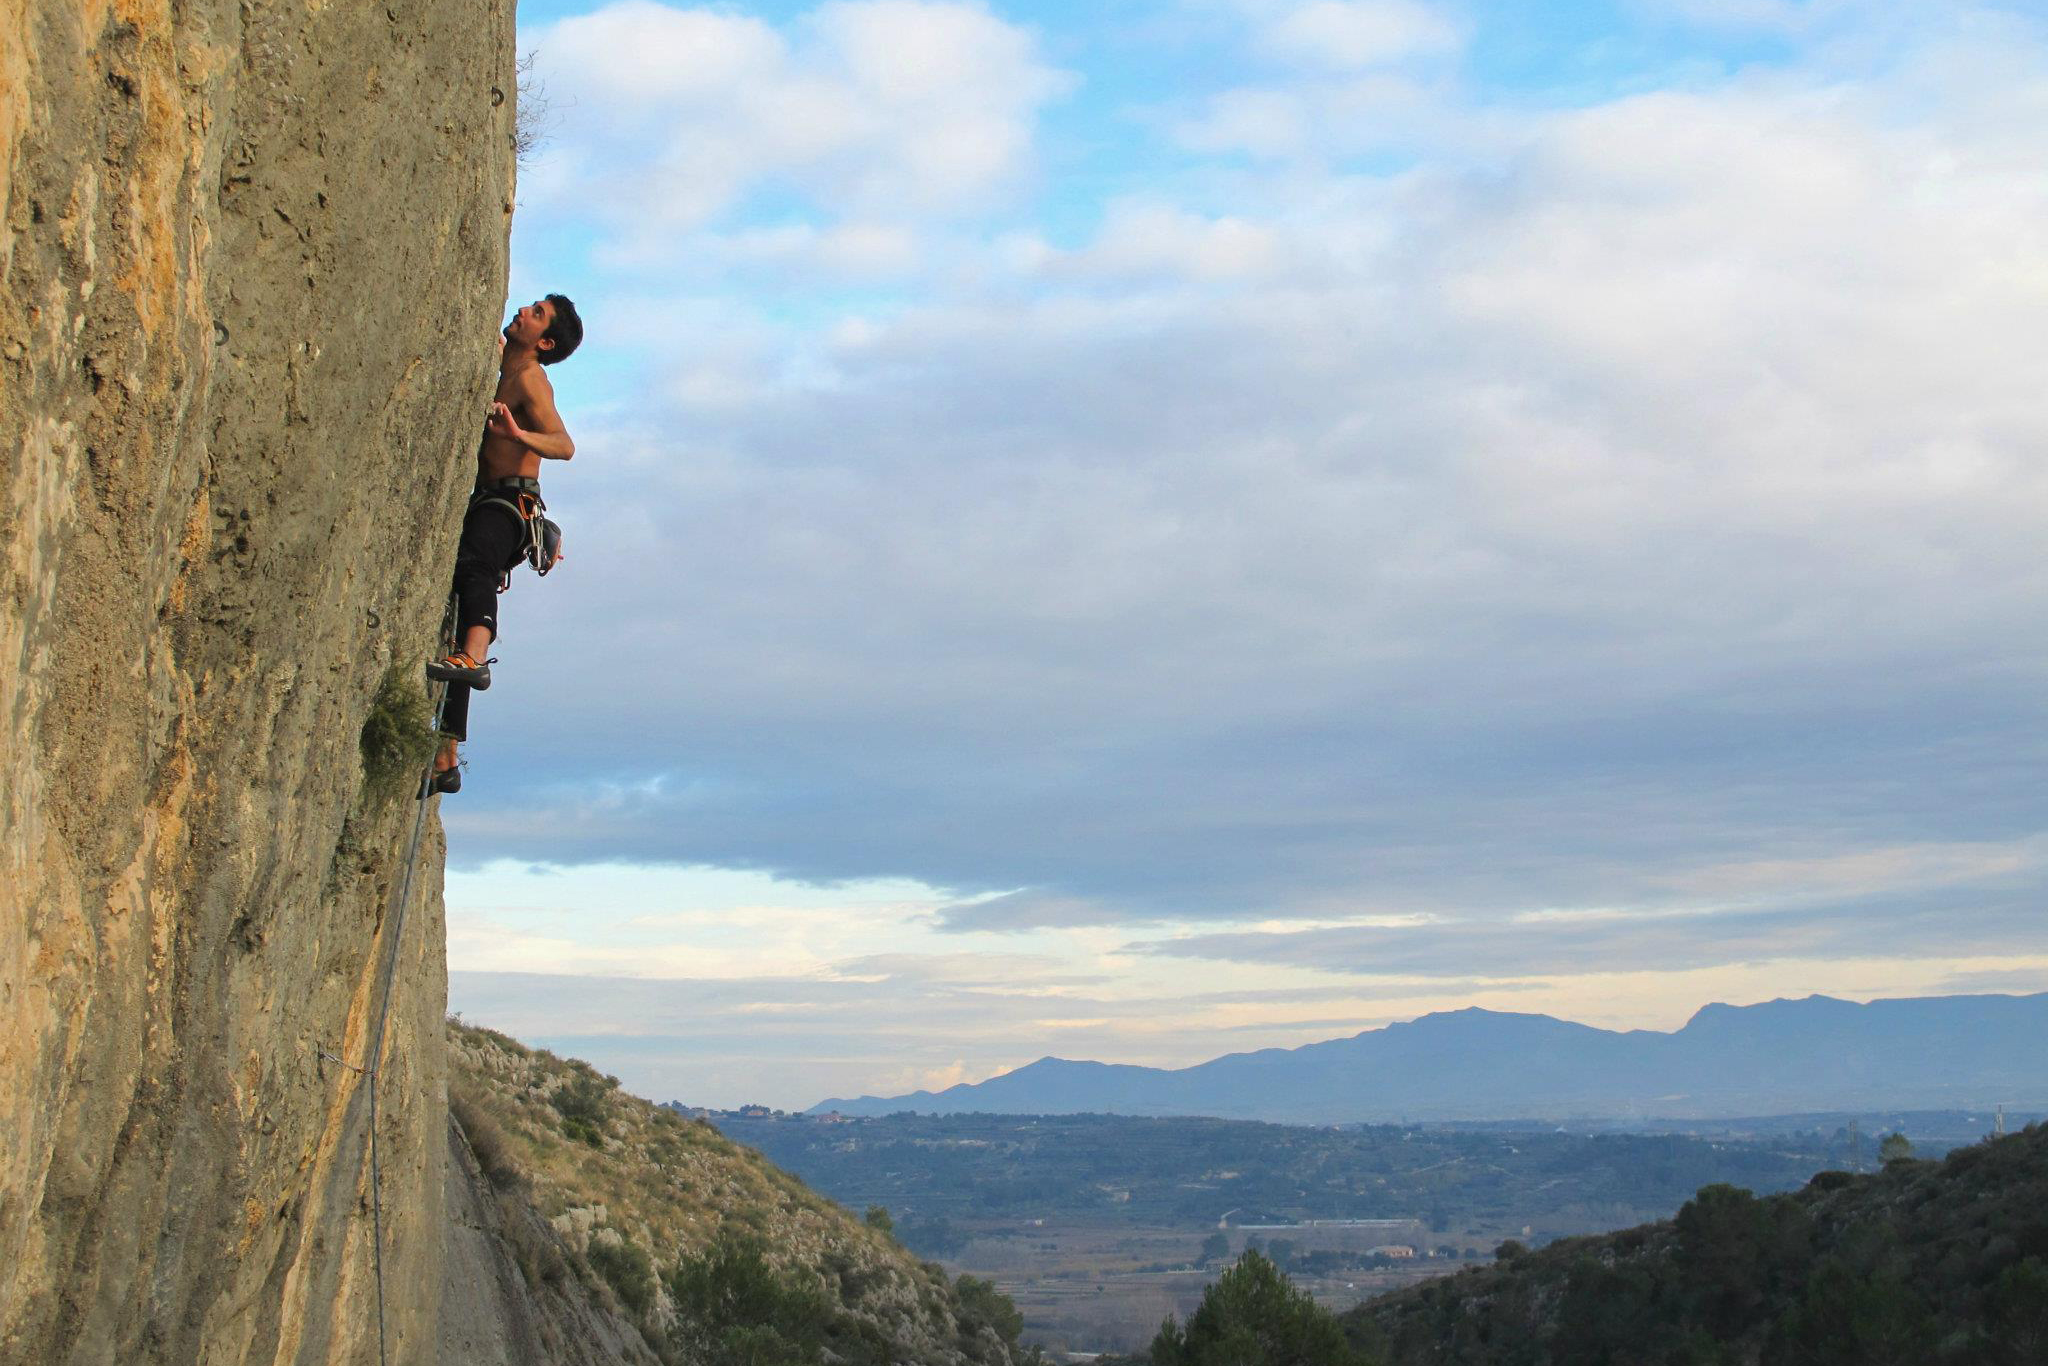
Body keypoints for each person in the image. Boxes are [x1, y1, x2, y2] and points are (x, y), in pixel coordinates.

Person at [424, 293, 583, 793]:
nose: (523, 311)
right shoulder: (506, 365)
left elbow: (565, 445)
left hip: (510, 506)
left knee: (474, 569)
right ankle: (447, 756)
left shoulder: (532, 380)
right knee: (456, 615)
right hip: (490, 500)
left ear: (546, 341)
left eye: (536, 315)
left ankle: (476, 656)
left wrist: (517, 431)